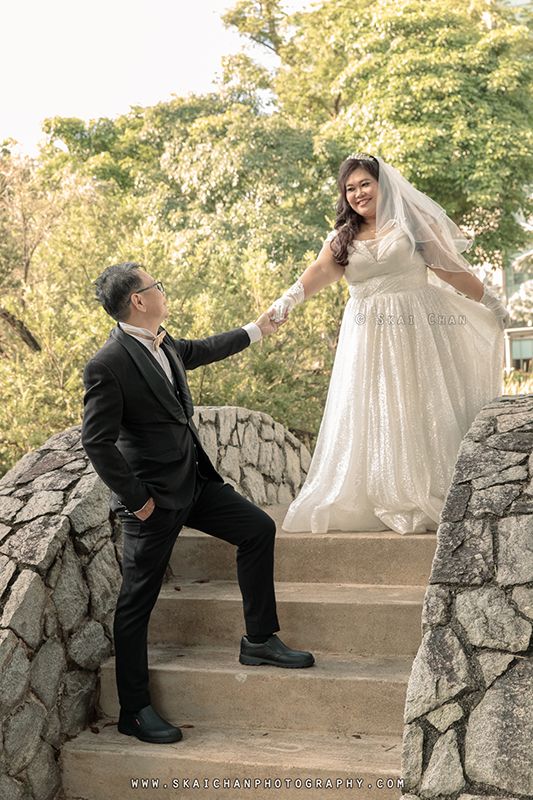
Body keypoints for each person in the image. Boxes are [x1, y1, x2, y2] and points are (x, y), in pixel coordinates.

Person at [81, 262, 314, 745]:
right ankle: (135, 709)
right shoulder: (108, 363)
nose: (162, 291)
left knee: (258, 529)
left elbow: (203, 350)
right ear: (138, 301)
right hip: (153, 502)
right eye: (155, 286)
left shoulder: (162, 342)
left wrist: (258, 328)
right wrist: (138, 500)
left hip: (196, 483)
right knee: (134, 605)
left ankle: (258, 640)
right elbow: (97, 442)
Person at [269, 154, 507, 535]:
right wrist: (288, 299)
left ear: (383, 185)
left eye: (365, 184)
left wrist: (490, 301)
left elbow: (450, 268)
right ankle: (373, 492)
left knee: (418, 404)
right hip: (366, 335)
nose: (358, 193)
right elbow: (318, 272)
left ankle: (423, 487)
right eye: (350, 188)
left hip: (417, 330)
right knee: (369, 406)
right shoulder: (342, 239)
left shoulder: (412, 227)